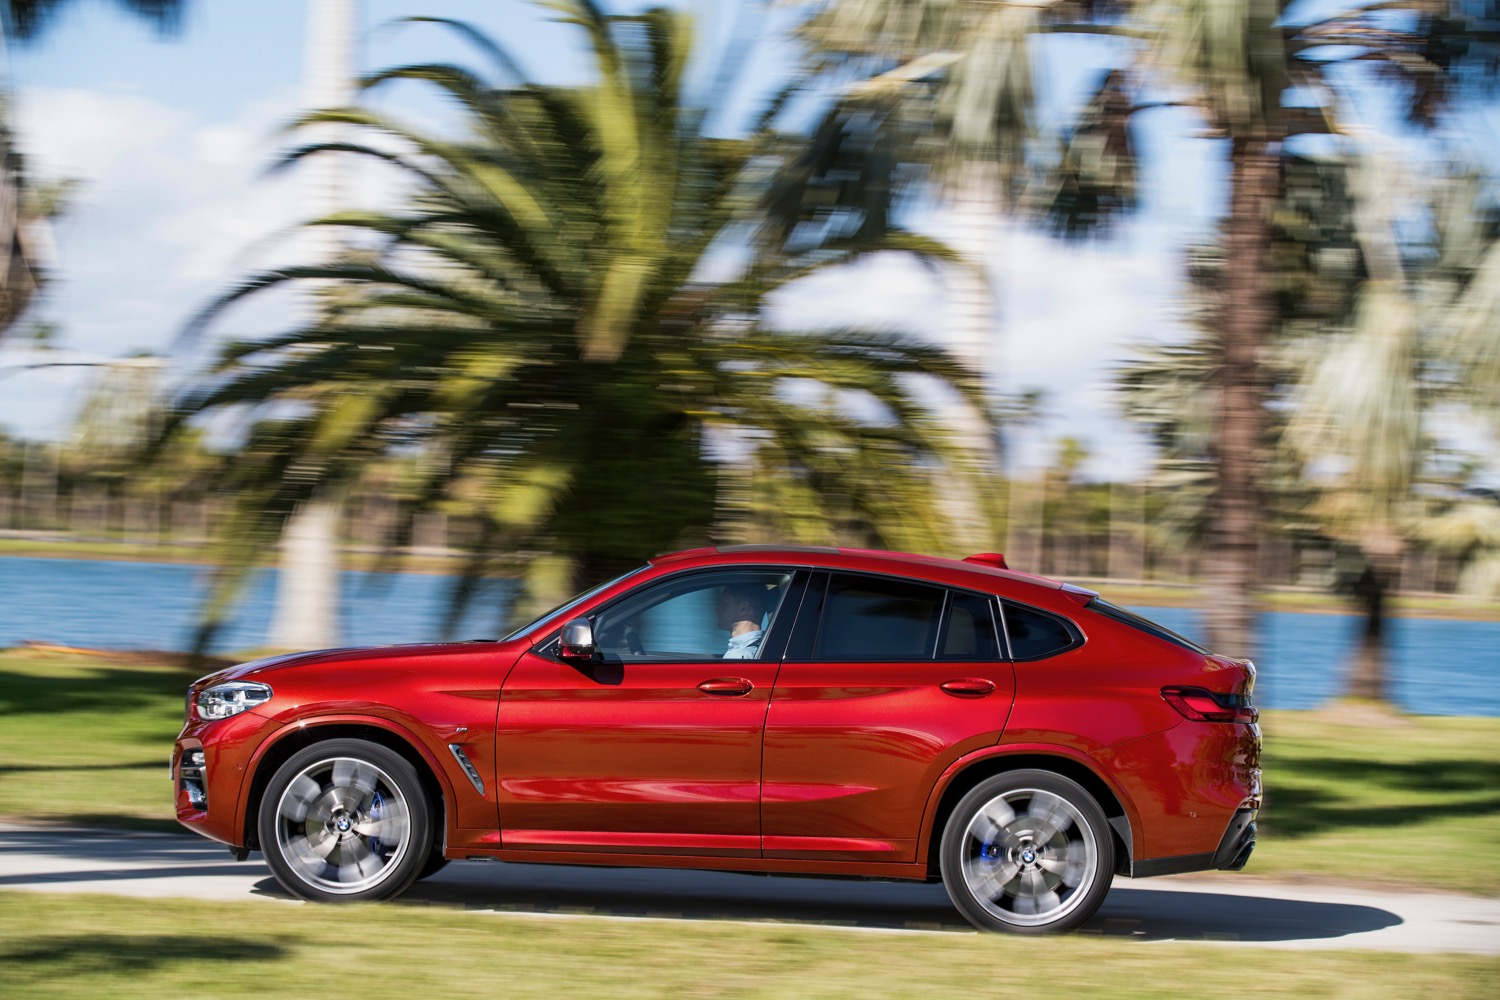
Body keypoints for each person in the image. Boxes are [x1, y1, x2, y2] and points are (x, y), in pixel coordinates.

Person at [716, 582, 770, 659]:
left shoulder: (741, 656)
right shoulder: (755, 652)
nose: (717, 609)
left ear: (743, 608)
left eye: (724, 604)